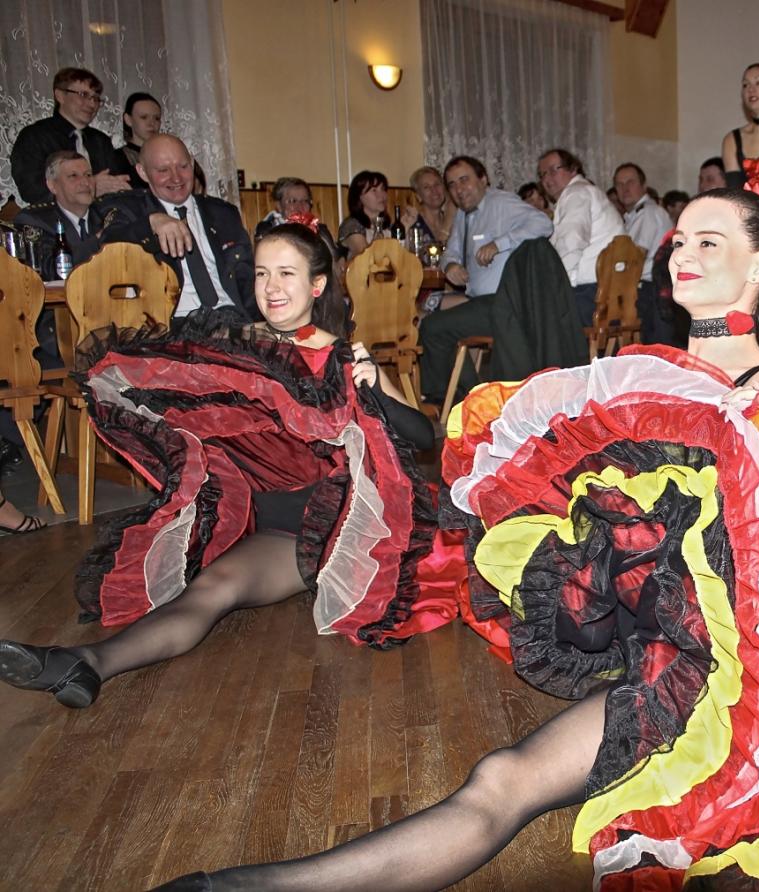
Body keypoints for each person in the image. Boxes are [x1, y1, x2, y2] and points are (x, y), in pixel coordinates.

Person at [148, 188, 759, 892]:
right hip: (661, 647)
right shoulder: (637, 374)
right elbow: (524, 478)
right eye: (679, 239)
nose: (681, 252)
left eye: (709, 239)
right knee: (502, 781)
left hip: (736, 673)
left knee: (511, 780)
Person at [0, 221, 448, 709]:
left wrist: (375, 382)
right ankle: (83, 663)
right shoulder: (236, 346)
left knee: (217, 588)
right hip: (264, 522)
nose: (271, 287)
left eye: (286, 273)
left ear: (317, 285)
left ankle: (84, 660)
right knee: (210, 589)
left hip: (330, 529)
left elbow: (422, 437)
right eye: (261, 274)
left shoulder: (340, 354)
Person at [418, 155, 554, 404]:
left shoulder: (501, 203)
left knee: (433, 328)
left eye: (464, 180)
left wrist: (500, 244)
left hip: (505, 305)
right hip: (479, 302)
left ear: (483, 179)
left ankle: (456, 398)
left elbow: (543, 224)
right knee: (431, 320)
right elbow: (450, 252)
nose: (459, 189)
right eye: (452, 184)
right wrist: (451, 265)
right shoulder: (464, 214)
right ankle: (474, 395)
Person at [99, 134, 257, 323]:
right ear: (142, 172)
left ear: (192, 164)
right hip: (171, 323)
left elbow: (247, 279)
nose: (176, 178)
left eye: (183, 166)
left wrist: (260, 325)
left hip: (232, 318)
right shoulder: (130, 209)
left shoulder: (223, 213)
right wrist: (151, 223)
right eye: (163, 170)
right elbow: (106, 243)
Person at [9, 66, 132, 204]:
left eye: (96, 98)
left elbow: (115, 185)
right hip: (53, 216)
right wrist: (90, 186)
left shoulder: (100, 140)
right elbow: (32, 191)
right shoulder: (34, 136)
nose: (92, 103)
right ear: (60, 96)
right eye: (83, 95)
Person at [537, 148, 624, 326]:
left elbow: (571, 243)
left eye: (553, 170)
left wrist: (556, 291)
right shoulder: (586, 191)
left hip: (590, 295)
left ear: (573, 169)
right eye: (542, 174)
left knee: (536, 319)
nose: (547, 179)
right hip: (613, 294)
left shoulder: (576, 193)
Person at [13, 151, 105, 282]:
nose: (85, 182)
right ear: (52, 186)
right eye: (73, 176)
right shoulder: (34, 221)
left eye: (88, 175)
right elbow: (50, 271)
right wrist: (98, 239)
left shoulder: (108, 214)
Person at [613, 162, 673, 343]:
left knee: (655, 346)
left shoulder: (648, 212)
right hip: (650, 288)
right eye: (619, 184)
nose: (624, 188)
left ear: (643, 185)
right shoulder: (634, 215)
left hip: (652, 289)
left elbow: (635, 258)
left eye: (630, 182)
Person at [109, 92, 163, 189]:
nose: (151, 123)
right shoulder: (116, 159)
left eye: (156, 118)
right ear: (128, 120)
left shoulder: (167, 155)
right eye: (144, 117)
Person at [336, 170, 390, 258]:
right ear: (359, 196)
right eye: (374, 190)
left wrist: (405, 228)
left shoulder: (387, 225)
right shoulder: (351, 225)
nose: (382, 195)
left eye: (383, 189)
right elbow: (365, 257)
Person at [398, 165, 456, 244]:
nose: (434, 190)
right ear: (418, 196)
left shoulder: (453, 221)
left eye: (437, 184)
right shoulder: (412, 224)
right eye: (426, 187)